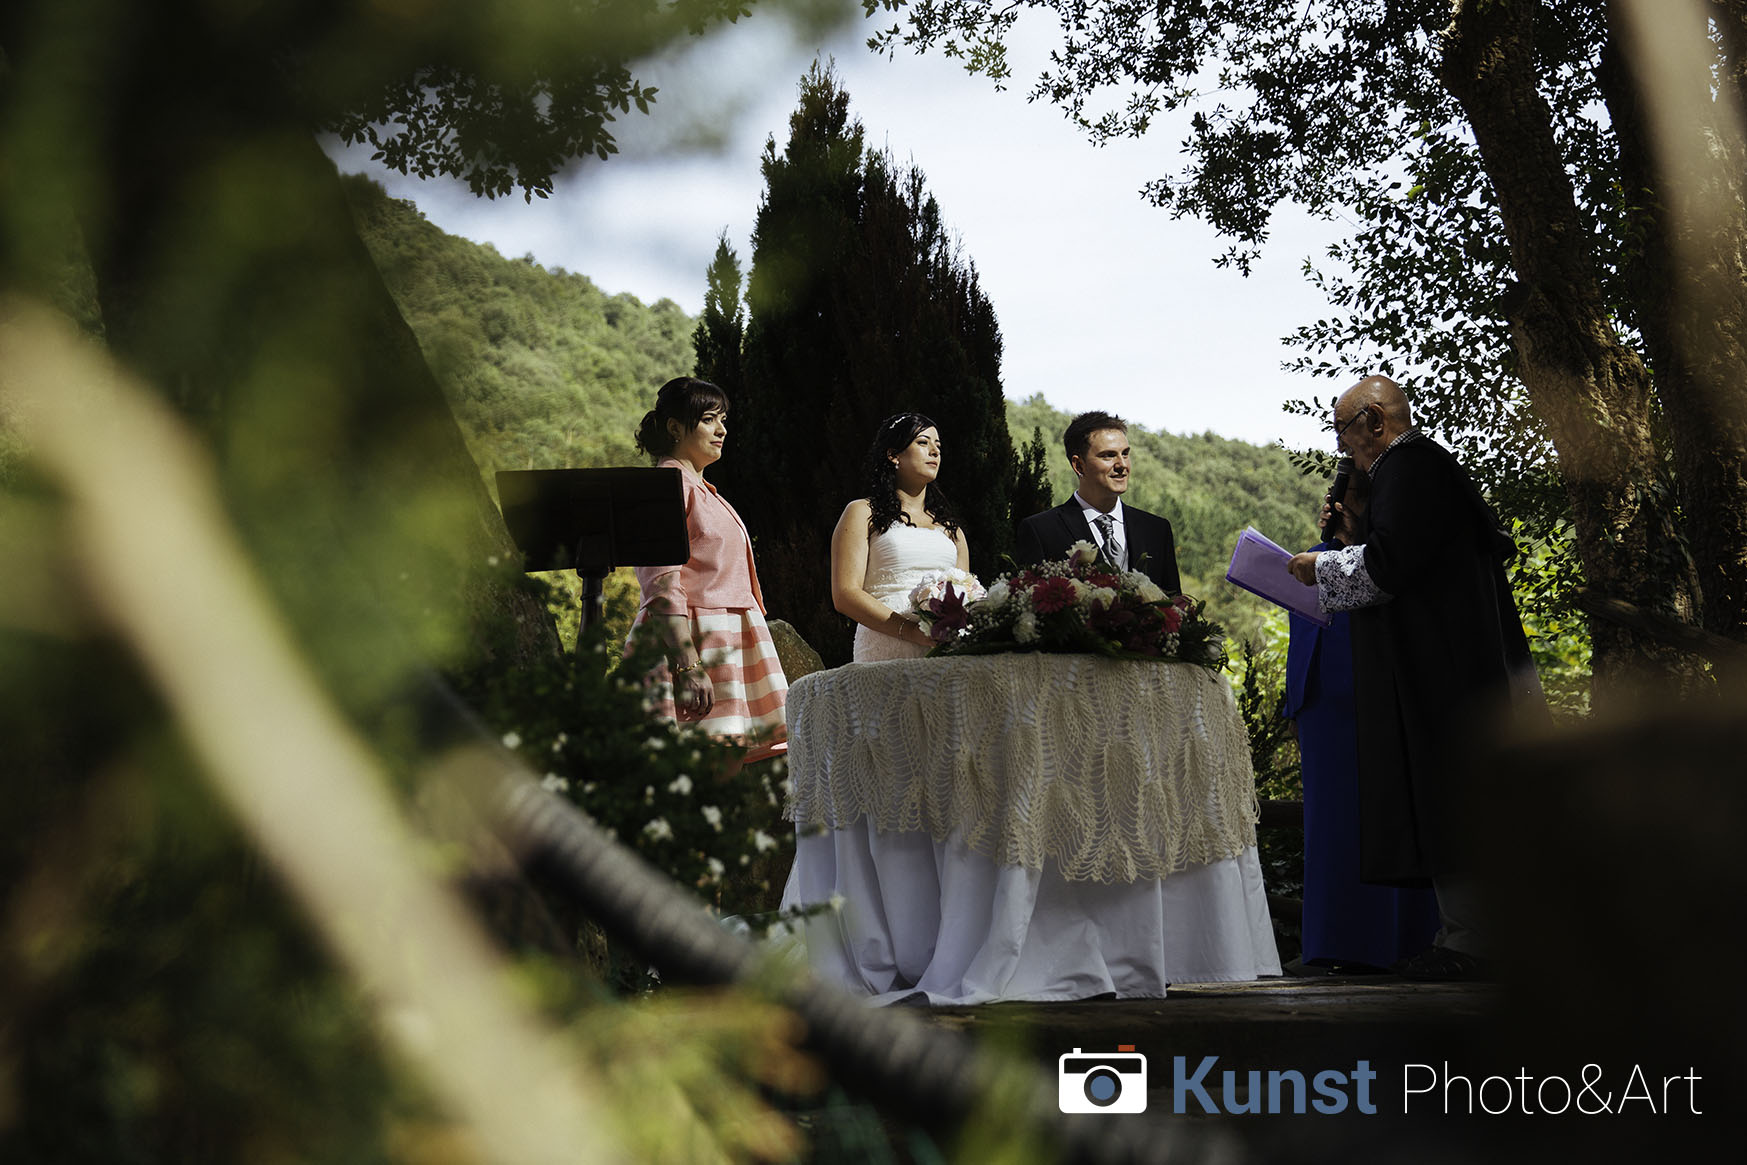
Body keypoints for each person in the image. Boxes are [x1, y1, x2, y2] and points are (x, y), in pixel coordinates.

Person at [1287, 375, 1544, 981]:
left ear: (1375, 422)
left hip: (1444, 672)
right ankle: (1471, 937)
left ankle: (1474, 943)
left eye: (1344, 430)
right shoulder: (1423, 470)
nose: (1343, 446)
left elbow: (1386, 568)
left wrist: (1318, 567)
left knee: (1452, 794)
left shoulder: (1408, 466)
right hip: (1454, 663)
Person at [1284, 465, 1440, 974]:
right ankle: (1331, 942)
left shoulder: (1388, 561)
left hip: (1372, 701)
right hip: (1321, 706)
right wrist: (1296, 702)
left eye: (1349, 498)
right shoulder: (1318, 557)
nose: (1337, 506)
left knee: (1380, 817)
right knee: (1328, 824)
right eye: (1336, 498)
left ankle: (1392, 942)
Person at [629, 377, 787, 756]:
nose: (722, 430)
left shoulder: (701, 489)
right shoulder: (667, 487)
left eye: (724, 419)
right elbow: (662, 584)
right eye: (709, 419)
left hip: (727, 636)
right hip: (695, 639)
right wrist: (687, 665)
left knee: (723, 773)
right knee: (697, 779)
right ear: (674, 427)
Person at [830, 413, 970, 662]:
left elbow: (965, 595)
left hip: (943, 652)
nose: (935, 452)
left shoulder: (952, 531)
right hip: (885, 645)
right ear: (894, 455)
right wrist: (910, 631)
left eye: (938, 446)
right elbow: (845, 594)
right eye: (923, 442)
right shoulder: (862, 512)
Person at [1015, 410, 1181, 593]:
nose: (1122, 465)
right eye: (1108, 456)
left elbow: (1175, 609)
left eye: (1125, 454)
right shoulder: (1041, 531)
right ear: (1079, 465)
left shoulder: (1157, 530)